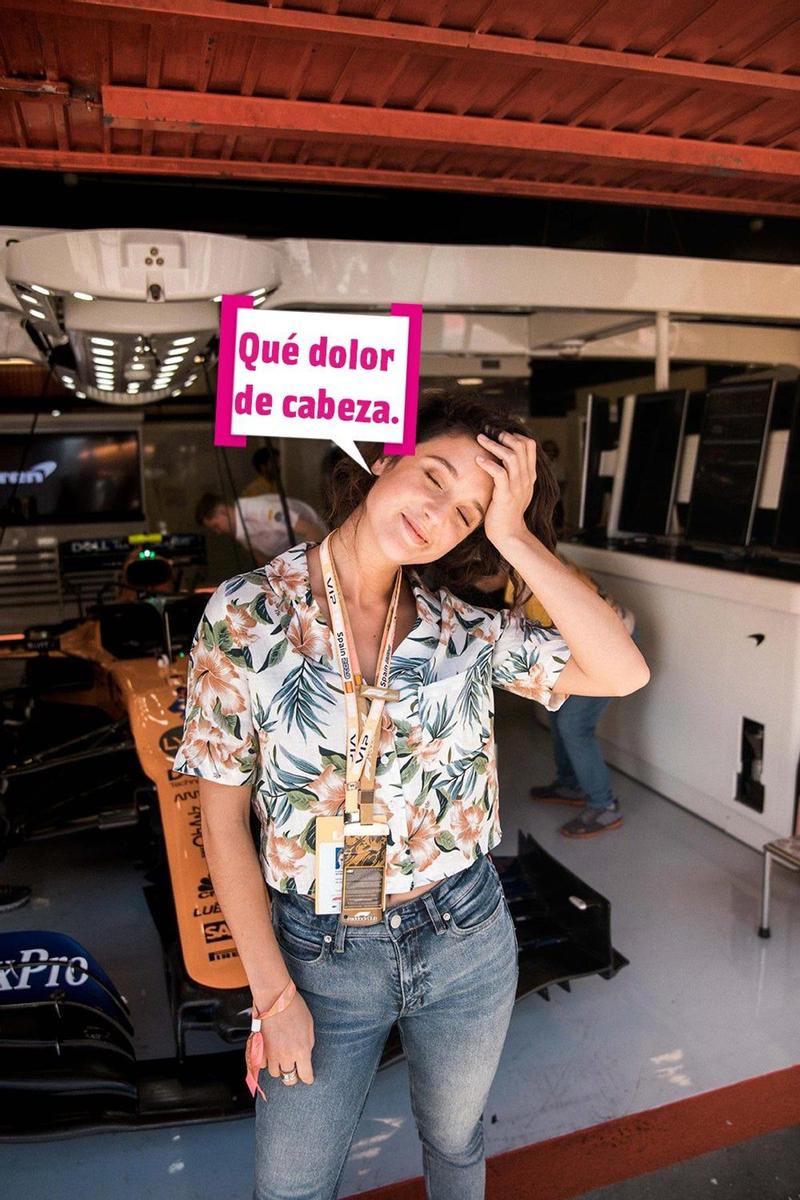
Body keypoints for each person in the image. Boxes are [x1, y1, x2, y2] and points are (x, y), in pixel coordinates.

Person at [173, 394, 649, 1200]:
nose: (438, 515)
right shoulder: (248, 612)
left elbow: (622, 670)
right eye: (432, 476)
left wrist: (515, 534)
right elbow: (219, 821)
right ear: (382, 459)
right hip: (319, 957)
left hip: (463, 930)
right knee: (292, 1186)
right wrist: (272, 995)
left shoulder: (459, 624)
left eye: (467, 511)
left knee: (457, 1146)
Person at [509, 558, 641, 838]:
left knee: (574, 725)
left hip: (611, 644)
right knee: (557, 713)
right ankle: (570, 784)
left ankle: (605, 806)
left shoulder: (538, 580)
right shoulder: (516, 574)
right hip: (578, 646)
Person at [195, 492, 327, 566]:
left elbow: (312, 531)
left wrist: (301, 568)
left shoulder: (259, 510)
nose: (218, 532)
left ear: (221, 511)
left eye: (216, 526)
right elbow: (264, 562)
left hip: (320, 549)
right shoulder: (242, 535)